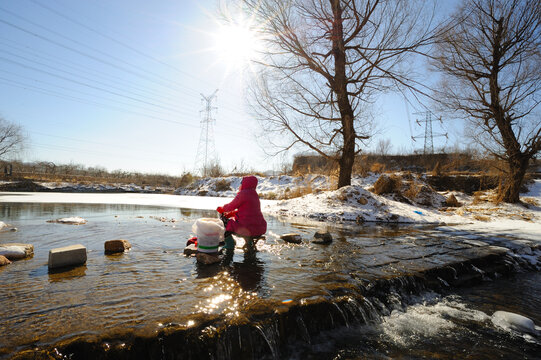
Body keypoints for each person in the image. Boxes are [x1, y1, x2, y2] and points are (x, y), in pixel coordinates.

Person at [217, 175, 267, 249]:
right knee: (244, 222)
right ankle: (249, 243)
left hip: (247, 228)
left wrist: (222, 209)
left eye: (241, 183)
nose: (240, 185)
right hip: (259, 228)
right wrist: (232, 213)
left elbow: (231, 206)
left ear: (245, 184)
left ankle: (230, 243)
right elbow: (247, 211)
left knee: (223, 221)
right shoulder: (254, 195)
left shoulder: (243, 194)